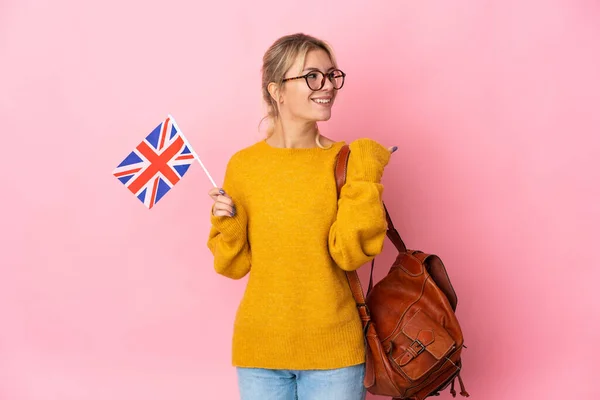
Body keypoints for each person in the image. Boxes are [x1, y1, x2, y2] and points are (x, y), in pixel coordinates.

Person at [207, 33, 396, 400]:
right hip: (259, 350)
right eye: (312, 76)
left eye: (331, 75)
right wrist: (226, 222)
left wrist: (367, 175)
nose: (327, 86)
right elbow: (232, 265)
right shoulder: (244, 166)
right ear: (277, 90)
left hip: (334, 353)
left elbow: (350, 254)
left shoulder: (346, 160)